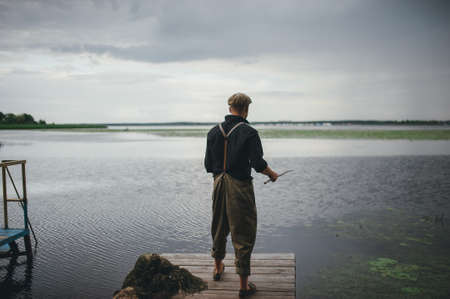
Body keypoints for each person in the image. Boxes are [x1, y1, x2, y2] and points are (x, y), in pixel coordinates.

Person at [204, 92, 279, 297]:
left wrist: (221, 174)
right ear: (246, 109)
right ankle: (243, 286)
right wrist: (272, 174)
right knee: (243, 232)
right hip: (240, 186)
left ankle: (218, 268)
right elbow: (258, 164)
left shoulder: (212, 132)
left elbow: (208, 165)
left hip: (219, 183)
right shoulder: (250, 132)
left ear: (230, 109)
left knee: (218, 226)